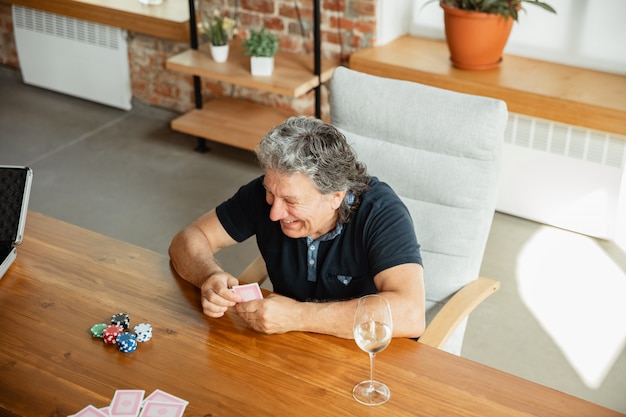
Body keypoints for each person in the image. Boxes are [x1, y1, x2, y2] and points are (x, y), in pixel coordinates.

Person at [168, 116, 425, 339]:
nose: (274, 212)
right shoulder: (269, 191)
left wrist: (298, 316)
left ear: (335, 196)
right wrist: (209, 276)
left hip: (363, 356)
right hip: (288, 347)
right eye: (271, 193)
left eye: (291, 201)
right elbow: (188, 239)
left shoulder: (381, 213)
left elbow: (410, 314)